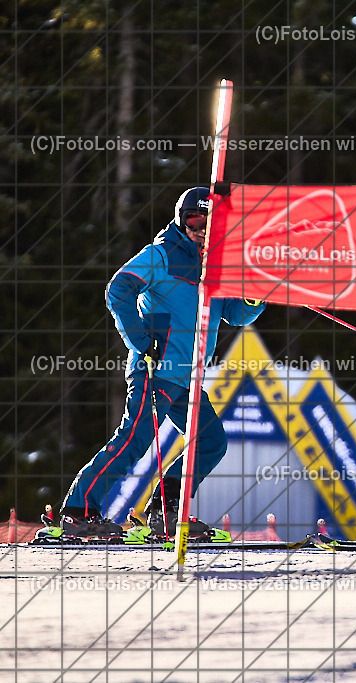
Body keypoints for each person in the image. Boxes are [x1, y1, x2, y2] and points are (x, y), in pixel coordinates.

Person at [55, 187, 266, 540]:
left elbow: (235, 314)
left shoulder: (216, 264)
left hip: (187, 377)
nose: (201, 228)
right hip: (157, 369)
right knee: (135, 439)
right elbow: (118, 290)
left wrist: (255, 295)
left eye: (208, 221)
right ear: (181, 220)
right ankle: (79, 511)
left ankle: (164, 510)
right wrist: (141, 341)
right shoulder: (162, 254)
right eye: (195, 220)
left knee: (209, 442)